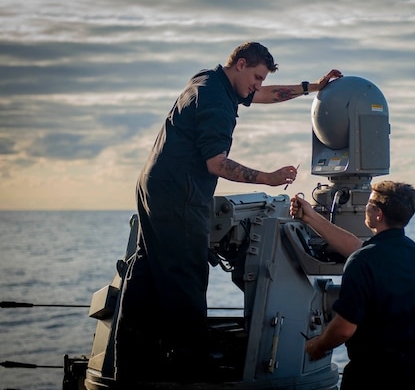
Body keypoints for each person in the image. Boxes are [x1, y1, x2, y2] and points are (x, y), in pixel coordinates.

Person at [114, 41, 342, 385]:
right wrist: (267, 178)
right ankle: (193, 369)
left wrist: (311, 87)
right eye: (256, 77)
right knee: (187, 277)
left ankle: (130, 366)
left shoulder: (209, 80)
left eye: (262, 79)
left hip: (154, 187)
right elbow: (216, 163)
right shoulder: (217, 101)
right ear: (240, 64)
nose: (258, 86)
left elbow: (267, 96)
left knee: (147, 270)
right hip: (180, 195)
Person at [290, 181, 415, 390]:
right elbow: (358, 247)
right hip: (413, 369)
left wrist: (317, 345)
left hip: (373, 375)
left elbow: (345, 329)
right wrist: (310, 217)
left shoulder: (361, 261)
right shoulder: (410, 249)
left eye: (369, 203)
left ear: (378, 214)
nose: (365, 207)